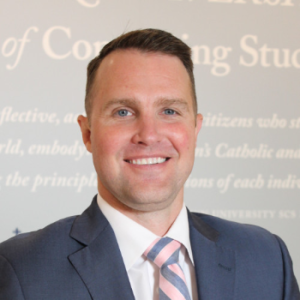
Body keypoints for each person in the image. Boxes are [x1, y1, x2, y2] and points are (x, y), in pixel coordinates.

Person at [0, 29, 299, 300]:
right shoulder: (19, 270)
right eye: (123, 112)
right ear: (87, 133)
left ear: (195, 130)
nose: (149, 135)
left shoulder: (268, 259)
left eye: (169, 110)